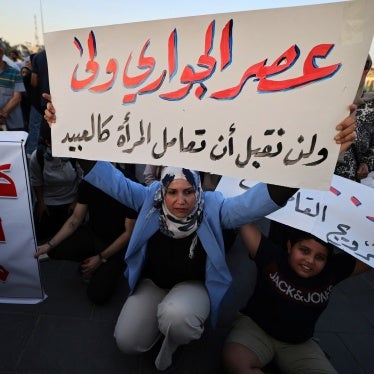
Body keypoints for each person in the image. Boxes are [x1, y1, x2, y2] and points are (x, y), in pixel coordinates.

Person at [43, 94, 356, 371]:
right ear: (161, 191)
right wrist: (66, 130)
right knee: (127, 341)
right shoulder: (147, 199)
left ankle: (174, 342)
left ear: (199, 190)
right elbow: (107, 177)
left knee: (177, 317)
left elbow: (259, 201)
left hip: (193, 289)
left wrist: (320, 154)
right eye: (173, 192)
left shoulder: (215, 206)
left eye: (189, 192)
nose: (181, 201)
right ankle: (162, 322)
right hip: (153, 284)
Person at [222, 223, 370, 374]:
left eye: (320, 257)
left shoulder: (332, 271)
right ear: (289, 246)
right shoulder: (272, 257)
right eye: (304, 251)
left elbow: (369, 255)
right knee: (235, 359)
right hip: (256, 329)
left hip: (299, 344)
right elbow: (241, 218)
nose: (310, 261)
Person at [34, 166, 138, 305]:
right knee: (56, 248)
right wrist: (49, 244)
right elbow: (76, 219)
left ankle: (110, 268)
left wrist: (101, 258)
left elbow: (128, 233)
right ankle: (90, 263)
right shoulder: (90, 180)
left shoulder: (130, 185)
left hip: (116, 246)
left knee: (97, 296)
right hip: (93, 234)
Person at [29, 122, 82, 243]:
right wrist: (41, 203)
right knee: (41, 237)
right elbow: (36, 182)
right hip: (48, 203)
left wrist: (75, 203)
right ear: (47, 142)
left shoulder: (76, 154)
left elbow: (82, 180)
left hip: (70, 201)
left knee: (71, 239)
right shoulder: (37, 157)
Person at [335, 54, 373, 182]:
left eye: (364, 67)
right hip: (311, 175)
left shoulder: (371, 105)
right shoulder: (321, 100)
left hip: (348, 182)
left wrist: (367, 163)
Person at [0, 41, 25, 131]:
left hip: (13, 123)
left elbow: (17, 97)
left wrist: (2, 114)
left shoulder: (14, 72)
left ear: (1, 52)